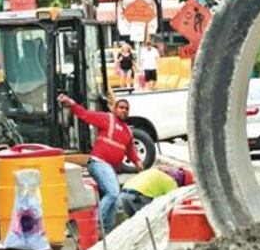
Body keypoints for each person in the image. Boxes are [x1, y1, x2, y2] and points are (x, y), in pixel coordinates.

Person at [57, 93, 142, 233]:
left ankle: (105, 233)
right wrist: (71, 103)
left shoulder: (128, 131)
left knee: (113, 202)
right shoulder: (107, 119)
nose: (124, 110)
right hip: (99, 163)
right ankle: (96, 225)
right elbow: (85, 115)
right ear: (115, 109)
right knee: (113, 193)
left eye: (126, 108)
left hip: (110, 169)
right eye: (121, 107)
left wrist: (137, 161)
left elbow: (130, 150)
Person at [120, 167, 194, 217]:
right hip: (139, 198)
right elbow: (175, 203)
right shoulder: (171, 182)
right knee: (149, 225)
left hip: (123, 195)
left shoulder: (154, 171)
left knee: (134, 225)